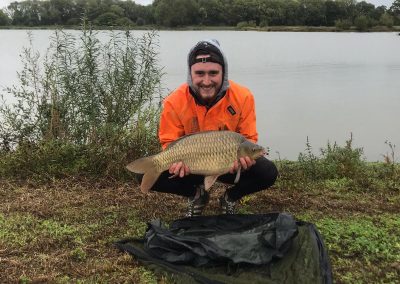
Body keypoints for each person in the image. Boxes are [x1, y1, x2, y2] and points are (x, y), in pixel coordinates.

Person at [148, 39, 278, 217]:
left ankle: (231, 197)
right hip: (190, 165)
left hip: (229, 164)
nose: (206, 81)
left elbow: (249, 138)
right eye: (200, 73)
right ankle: (197, 194)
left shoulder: (243, 96)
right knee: (150, 170)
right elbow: (169, 142)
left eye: (213, 73)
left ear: (223, 73)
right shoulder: (174, 101)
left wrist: (244, 161)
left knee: (267, 172)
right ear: (190, 73)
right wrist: (176, 164)